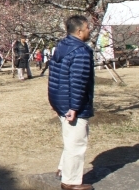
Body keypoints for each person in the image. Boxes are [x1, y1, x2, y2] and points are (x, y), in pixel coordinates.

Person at [48, 15, 95, 190]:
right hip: (72, 104)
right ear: (80, 30)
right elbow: (78, 81)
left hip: (60, 100)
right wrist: (74, 107)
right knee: (77, 142)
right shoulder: (80, 52)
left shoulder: (62, 46)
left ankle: (63, 168)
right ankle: (71, 181)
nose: (90, 30)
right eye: (88, 27)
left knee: (70, 138)